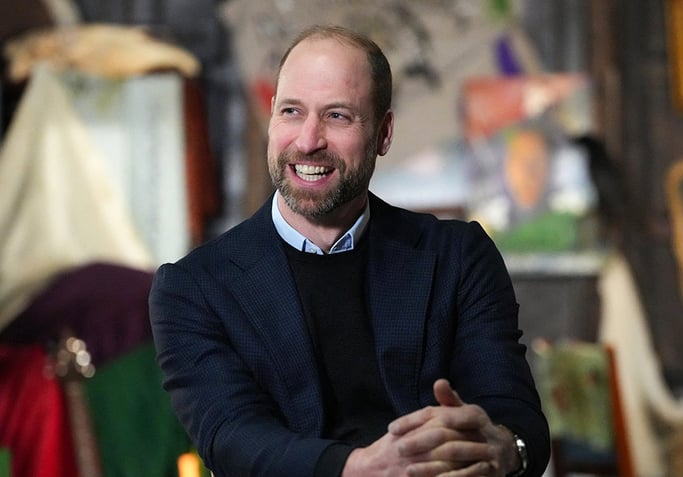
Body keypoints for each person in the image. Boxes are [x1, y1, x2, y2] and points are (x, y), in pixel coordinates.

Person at [148, 24, 550, 477]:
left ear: (383, 133)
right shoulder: (194, 287)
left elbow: (517, 418)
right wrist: (356, 469)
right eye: (291, 112)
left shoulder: (458, 257)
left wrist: (505, 448)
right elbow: (232, 437)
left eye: (337, 116)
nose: (307, 140)